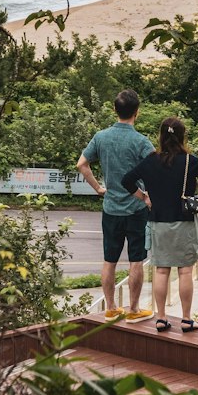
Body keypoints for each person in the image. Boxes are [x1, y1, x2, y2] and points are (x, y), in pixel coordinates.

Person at [121, 117, 198, 333]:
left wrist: (144, 198)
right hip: (184, 223)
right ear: (182, 136)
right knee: (185, 272)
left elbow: (126, 180)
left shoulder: (150, 161)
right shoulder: (189, 161)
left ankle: (161, 318)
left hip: (158, 223)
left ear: (161, 136)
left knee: (161, 271)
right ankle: (186, 320)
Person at [76, 88, 153, 320]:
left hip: (110, 209)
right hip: (136, 209)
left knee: (109, 260)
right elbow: (155, 172)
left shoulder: (101, 137)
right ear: (136, 112)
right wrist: (148, 196)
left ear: (114, 110)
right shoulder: (141, 142)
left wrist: (99, 188)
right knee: (136, 259)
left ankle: (110, 308)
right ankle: (134, 310)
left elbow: (82, 164)